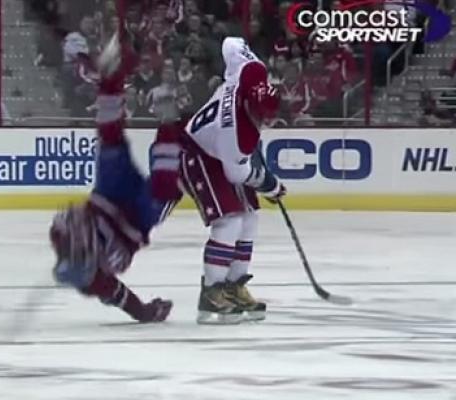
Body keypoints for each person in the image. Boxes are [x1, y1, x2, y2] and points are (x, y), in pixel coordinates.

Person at [49, 33, 177, 323]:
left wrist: (79, 226)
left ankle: (110, 84)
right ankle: (169, 125)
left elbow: (73, 213)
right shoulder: (96, 282)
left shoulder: (60, 236)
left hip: (109, 196)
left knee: (110, 141)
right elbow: (127, 302)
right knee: (165, 189)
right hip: (136, 220)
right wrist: (148, 312)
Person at [179, 37, 285, 324]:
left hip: (215, 146)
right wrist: (270, 185)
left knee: (250, 217)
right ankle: (211, 293)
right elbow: (236, 174)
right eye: (262, 118)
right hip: (197, 153)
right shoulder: (237, 136)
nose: (265, 123)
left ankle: (233, 286)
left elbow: (230, 43)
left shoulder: (252, 71)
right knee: (230, 220)